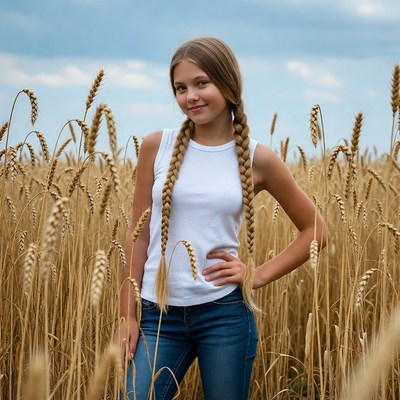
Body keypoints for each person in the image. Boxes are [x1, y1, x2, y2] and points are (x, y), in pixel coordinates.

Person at [113, 36, 328, 400]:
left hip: (224, 316)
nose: (190, 97)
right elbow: (139, 235)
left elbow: (317, 230)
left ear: (228, 84)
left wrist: (256, 275)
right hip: (157, 315)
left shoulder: (259, 158)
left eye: (201, 83)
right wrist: (126, 315)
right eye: (180, 88)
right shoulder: (156, 146)